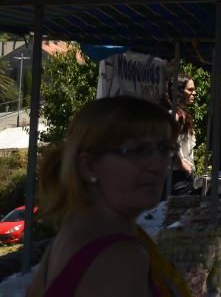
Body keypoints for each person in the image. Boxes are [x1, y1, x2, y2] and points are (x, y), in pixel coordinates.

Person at [27, 96, 191, 297]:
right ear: (89, 166)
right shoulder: (118, 258)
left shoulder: (73, 235)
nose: (157, 164)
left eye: (164, 149)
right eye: (136, 150)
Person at [170, 77, 196, 196]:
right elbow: (170, 141)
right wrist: (182, 164)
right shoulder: (175, 115)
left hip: (183, 173)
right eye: (190, 90)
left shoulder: (182, 113)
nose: (193, 93)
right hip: (177, 175)